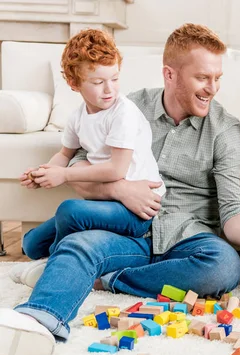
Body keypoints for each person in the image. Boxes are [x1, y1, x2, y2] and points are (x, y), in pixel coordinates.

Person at [0, 23, 240, 355]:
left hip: (187, 236)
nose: (213, 88)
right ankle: (39, 319)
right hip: (126, 227)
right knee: (80, 244)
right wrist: (122, 190)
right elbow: (77, 168)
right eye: (202, 78)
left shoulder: (224, 130)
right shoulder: (126, 108)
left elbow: (232, 206)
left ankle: (110, 278)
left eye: (217, 78)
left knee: (224, 266)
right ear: (170, 74)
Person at [12, 29, 167, 287]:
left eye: (115, 79)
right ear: (74, 84)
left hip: (138, 210)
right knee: (30, 243)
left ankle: (58, 266)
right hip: (108, 203)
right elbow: (65, 154)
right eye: (98, 82)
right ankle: (60, 254)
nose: (110, 90)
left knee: (69, 210)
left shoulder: (123, 113)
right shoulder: (78, 117)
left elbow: (117, 169)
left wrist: (64, 175)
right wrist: (43, 172)